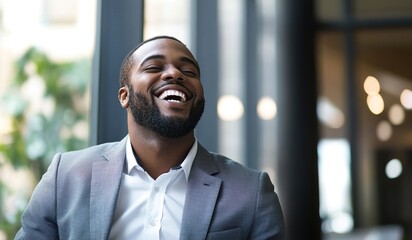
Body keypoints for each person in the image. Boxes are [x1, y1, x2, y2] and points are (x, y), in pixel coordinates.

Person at [15, 35, 285, 240]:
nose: (175, 74)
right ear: (125, 96)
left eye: (189, 71)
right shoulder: (66, 176)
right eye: (154, 66)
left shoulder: (251, 191)